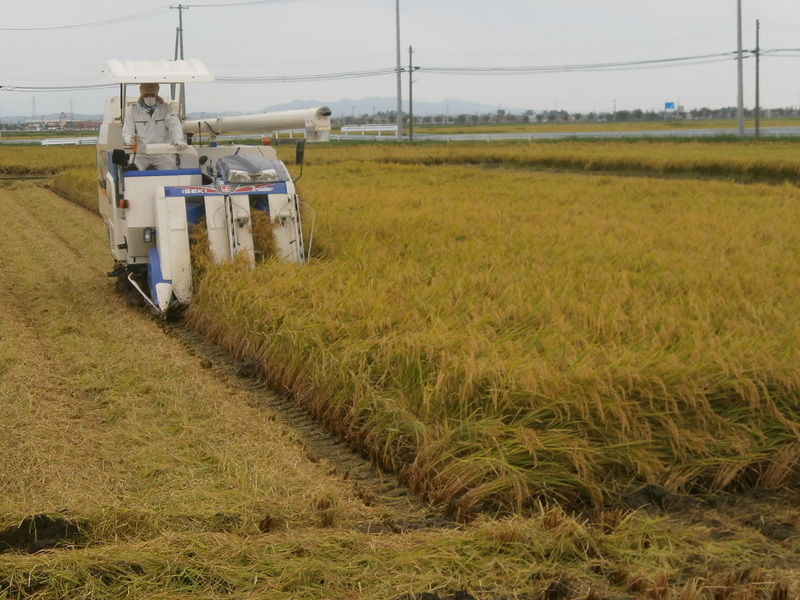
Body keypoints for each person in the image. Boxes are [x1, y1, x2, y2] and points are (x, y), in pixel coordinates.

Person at [122, 82, 188, 170]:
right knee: (133, 172)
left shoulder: (166, 109)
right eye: (146, 95)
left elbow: (174, 125)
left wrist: (178, 138)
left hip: (162, 154)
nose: (149, 97)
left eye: (152, 95)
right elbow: (127, 131)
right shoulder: (133, 112)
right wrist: (128, 138)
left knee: (172, 173)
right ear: (142, 95)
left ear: (157, 95)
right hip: (141, 155)